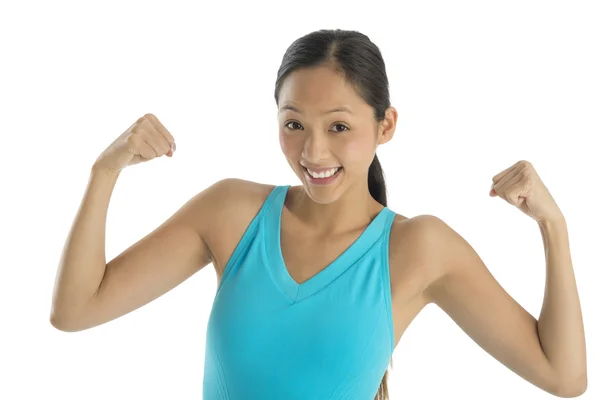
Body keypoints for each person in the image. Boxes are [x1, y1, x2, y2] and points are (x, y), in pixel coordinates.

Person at [50, 29, 587, 399]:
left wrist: (554, 227)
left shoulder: (418, 250)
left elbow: (563, 376)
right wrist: (105, 172)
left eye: (338, 127)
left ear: (386, 125)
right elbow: (75, 310)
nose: (313, 154)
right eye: (294, 125)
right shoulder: (232, 213)